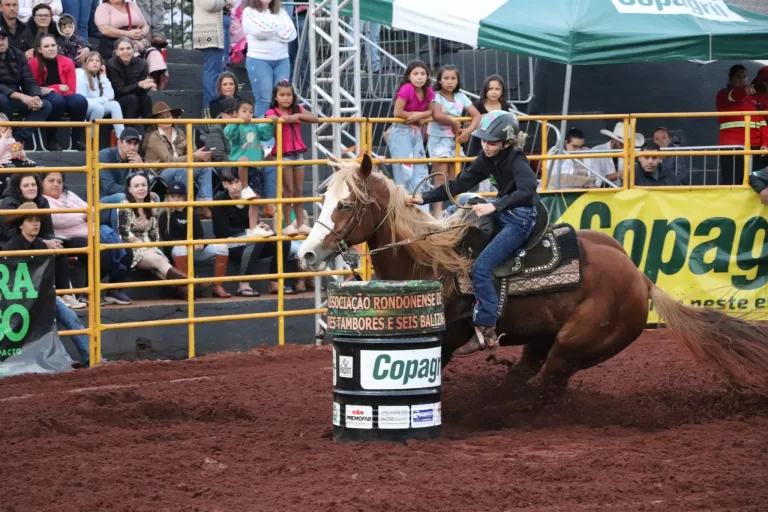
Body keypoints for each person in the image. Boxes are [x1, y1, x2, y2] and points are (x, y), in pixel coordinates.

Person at [406, 111, 539, 356]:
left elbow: (529, 190)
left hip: (520, 219)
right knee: (462, 218)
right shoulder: (484, 158)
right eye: (484, 141)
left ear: (506, 142)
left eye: (492, 142)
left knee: (481, 267)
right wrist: (423, 197)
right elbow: (459, 184)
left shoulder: (517, 160)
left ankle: (486, 330)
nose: (486, 146)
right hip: (502, 211)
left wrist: (494, 206)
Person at [3, 201, 91, 365]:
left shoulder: (39, 245)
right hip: (22, 302)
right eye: (30, 220)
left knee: (69, 317)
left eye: (37, 220)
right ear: (21, 225)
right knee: (48, 324)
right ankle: (65, 361)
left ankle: (91, 358)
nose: (35, 224)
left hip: (42, 296)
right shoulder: (12, 247)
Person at [41, 170, 133, 305]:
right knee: (102, 250)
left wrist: (85, 214)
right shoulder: (43, 200)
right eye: (51, 181)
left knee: (126, 249)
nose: (56, 184)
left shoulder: (69, 195)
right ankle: (88, 293)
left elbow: (92, 210)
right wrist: (83, 216)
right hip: (67, 238)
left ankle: (114, 289)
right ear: (42, 183)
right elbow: (58, 218)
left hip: (93, 233)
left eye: (59, 181)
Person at [117, 172, 209, 300]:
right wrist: (145, 247)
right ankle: (191, 282)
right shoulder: (124, 205)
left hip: (150, 247)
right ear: (129, 189)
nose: (141, 188)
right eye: (136, 186)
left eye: (144, 185)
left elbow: (154, 232)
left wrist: (154, 248)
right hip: (132, 247)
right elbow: (124, 232)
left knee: (161, 264)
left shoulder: (152, 205)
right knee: (159, 261)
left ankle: (185, 291)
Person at [1, 173, 85, 308]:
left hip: (35, 241)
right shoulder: (9, 202)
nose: (31, 188)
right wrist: (44, 243)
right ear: (18, 188)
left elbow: (48, 230)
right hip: (10, 245)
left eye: (33, 184)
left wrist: (52, 242)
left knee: (59, 252)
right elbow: (11, 234)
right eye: (26, 185)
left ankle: (65, 294)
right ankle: (53, 296)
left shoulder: (42, 201)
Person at [212, 169, 295, 297]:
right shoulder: (219, 200)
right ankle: (243, 285)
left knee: (282, 241)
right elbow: (222, 232)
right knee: (255, 238)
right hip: (228, 243)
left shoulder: (250, 198)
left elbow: (253, 226)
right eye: (230, 183)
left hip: (250, 241)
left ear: (243, 182)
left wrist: (261, 227)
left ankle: (275, 283)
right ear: (224, 185)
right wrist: (250, 232)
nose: (234, 187)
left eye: (237, 182)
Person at [159, 180, 231, 298]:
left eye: (179, 196)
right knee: (180, 248)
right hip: (176, 252)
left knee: (222, 247)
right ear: (168, 197)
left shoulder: (192, 212)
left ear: (185, 197)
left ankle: (217, 286)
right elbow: (168, 241)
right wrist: (190, 244)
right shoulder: (164, 215)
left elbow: (199, 235)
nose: (176, 199)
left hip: (193, 250)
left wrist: (199, 243)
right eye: (172, 196)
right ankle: (186, 287)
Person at [143, 101, 214, 217]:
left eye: (168, 116)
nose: (166, 119)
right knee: (182, 169)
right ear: (156, 122)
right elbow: (169, 161)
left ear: (173, 117)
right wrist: (194, 156)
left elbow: (189, 154)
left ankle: (204, 205)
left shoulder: (180, 133)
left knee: (206, 167)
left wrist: (200, 157)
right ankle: (184, 206)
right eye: (162, 117)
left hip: (181, 167)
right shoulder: (154, 137)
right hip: (160, 171)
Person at [264, 79, 316, 235]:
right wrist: (278, 120)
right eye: (282, 95)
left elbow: (315, 118)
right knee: (288, 191)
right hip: (284, 155)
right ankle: (287, 224)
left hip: (298, 154)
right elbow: (267, 118)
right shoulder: (273, 112)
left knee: (299, 191)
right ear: (276, 97)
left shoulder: (297, 109)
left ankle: (300, 223)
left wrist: (297, 116)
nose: (286, 98)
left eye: (289, 95)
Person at [427, 64, 480, 217]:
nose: (450, 82)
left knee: (454, 179)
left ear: (457, 81)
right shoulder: (436, 96)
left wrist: (468, 131)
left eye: (453, 78)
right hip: (438, 140)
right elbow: (436, 114)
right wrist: (454, 122)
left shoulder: (461, 96)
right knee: (440, 179)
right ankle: (436, 214)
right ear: (440, 80)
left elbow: (476, 115)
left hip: (454, 142)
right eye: (446, 78)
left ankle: (452, 212)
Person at [224, 97, 274, 238]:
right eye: (244, 111)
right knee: (244, 159)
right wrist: (235, 122)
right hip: (238, 165)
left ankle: (253, 228)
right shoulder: (236, 125)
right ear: (237, 113)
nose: (247, 114)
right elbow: (229, 133)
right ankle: (244, 187)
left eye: (250, 111)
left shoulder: (256, 125)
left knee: (255, 199)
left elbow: (266, 134)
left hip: (255, 167)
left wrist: (271, 123)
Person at [28, 32, 88, 150]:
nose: (51, 49)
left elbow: (71, 89)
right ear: (39, 50)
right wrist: (56, 88)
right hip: (43, 98)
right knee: (57, 100)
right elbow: (33, 88)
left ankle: (77, 139)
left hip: (64, 95)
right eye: (46, 46)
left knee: (80, 100)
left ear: (58, 46)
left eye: (53, 45)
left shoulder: (67, 61)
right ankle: (52, 140)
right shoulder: (33, 63)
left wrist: (50, 89)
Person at [94, 0, 168, 89]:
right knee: (131, 52)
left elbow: (145, 25)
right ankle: (142, 83)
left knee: (154, 54)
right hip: (115, 43)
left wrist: (142, 33)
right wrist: (128, 34)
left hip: (138, 41)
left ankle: (155, 85)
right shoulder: (103, 7)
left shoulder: (132, 5)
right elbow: (104, 30)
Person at [242, 0, 296, 119]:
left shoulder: (282, 12)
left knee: (282, 99)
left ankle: (282, 135)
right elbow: (259, 31)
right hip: (258, 59)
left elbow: (291, 33)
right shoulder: (248, 12)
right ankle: (263, 136)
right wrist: (279, 29)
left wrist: (269, 32)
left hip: (282, 60)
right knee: (264, 99)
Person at [389, 60, 433, 206]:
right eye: (415, 74)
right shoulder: (407, 88)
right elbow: (397, 112)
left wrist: (418, 116)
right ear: (409, 76)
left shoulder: (428, 90)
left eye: (423, 74)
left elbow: (431, 111)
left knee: (421, 170)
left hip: (416, 132)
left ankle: (421, 208)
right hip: (401, 132)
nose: (420, 77)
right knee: (404, 172)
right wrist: (414, 116)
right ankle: (403, 207)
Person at [716, 64, 768, 186]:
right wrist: (744, 90)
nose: (742, 80)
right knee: (733, 182)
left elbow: (762, 123)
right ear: (730, 79)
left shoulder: (753, 99)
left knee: (756, 183)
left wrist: (765, 144)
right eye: (738, 77)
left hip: (755, 148)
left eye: (744, 77)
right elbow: (734, 95)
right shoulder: (723, 95)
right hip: (733, 148)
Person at [0, 24, 51, 144]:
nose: (1, 42)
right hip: (5, 97)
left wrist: (35, 96)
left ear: (7, 40)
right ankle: (5, 137)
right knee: (1, 99)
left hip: (16, 98)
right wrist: (22, 96)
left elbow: (29, 79)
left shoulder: (18, 54)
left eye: (3, 39)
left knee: (45, 105)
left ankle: (16, 139)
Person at [467, 74, 512, 194]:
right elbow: (469, 123)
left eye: (497, 89)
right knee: (482, 176)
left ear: (502, 91)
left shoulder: (505, 106)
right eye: (490, 89)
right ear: (485, 90)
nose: (494, 92)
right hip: (479, 145)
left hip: (497, 146)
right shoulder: (478, 106)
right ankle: (483, 200)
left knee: (497, 177)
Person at [99, 127, 144, 228]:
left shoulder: (136, 159)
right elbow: (109, 188)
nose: (132, 147)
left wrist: (140, 168)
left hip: (129, 197)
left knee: (155, 197)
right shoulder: (104, 156)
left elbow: (145, 185)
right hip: (102, 202)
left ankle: (151, 237)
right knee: (121, 198)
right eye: (128, 142)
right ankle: (120, 240)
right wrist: (135, 191)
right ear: (119, 142)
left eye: (135, 143)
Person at [105, 37, 155, 128]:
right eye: (121, 49)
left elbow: (142, 91)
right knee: (132, 98)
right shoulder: (111, 65)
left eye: (128, 48)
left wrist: (146, 87)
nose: (125, 52)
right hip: (117, 102)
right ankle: (128, 132)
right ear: (116, 52)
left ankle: (149, 131)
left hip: (134, 100)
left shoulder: (141, 64)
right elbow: (120, 90)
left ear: (133, 50)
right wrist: (138, 84)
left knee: (146, 98)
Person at [192, 0, 231, 114]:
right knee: (213, 72)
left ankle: (223, 108)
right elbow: (209, 4)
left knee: (221, 71)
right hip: (211, 32)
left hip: (222, 29)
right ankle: (210, 110)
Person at [75, 50, 124, 137]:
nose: (95, 63)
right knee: (99, 107)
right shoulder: (80, 74)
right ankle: (91, 137)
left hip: (94, 107)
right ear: (85, 64)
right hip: (82, 108)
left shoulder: (97, 77)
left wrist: (103, 76)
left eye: (97, 61)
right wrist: (104, 99)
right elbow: (81, 99)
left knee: (114, 104)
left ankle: (121, 136)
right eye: (91, 60)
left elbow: (110, 96)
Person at [591, 121, 644, 187]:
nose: (625, 147)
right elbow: (597, 180)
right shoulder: (597, 151)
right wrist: (622, 173)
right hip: (603, 192)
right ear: (614, 140)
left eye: (628, 145)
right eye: (622, 144)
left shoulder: (631, 151)